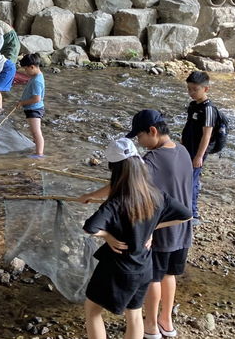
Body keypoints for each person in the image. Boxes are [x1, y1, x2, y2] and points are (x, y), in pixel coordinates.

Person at [82, 138, 192, 339]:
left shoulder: (116, 202)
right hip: (144, 266)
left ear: (115, 170)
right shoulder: (156, 195)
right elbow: (186, 215)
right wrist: (153, 227)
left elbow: (90, 228)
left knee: (92, 309)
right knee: (134, 315)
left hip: (118, 268)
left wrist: (108, 236)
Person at [181, 71, 217, 224]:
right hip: (187, 147)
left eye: (195, 89)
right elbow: (189, 126)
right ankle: (185, 208)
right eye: (189, 89)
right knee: (187, 179)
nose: (191, 93)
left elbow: (206, 136)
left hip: (197, 151)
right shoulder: (193, 105)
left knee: (192, 181)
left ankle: (193, 214)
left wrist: (199, 156)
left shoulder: (208, 110)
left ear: (205, 89)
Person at [16, 53, 45, 158]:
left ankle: (39, 154)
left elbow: (36, 99)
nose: (25, 71)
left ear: (32, 67)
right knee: (34, 132)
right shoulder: (36, 76)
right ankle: (37, 149)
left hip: (34, 109)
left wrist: (22, 103)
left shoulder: (37, 81)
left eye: (26, 69)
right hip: (32, 109)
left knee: (36, 132)